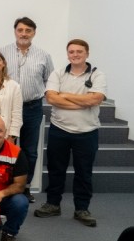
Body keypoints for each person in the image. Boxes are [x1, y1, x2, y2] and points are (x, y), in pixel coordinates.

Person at [35, 39, 107, 227]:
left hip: (87, 131)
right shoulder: (57, 73)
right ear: (67, 54)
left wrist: (64, 95)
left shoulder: (97, 75)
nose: (75, 55)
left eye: (79, 52)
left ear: (87, 53)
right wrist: (83, 101)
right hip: (60, 129)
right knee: (55, 168)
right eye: (72, 52)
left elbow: (96, 99)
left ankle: (81, 209)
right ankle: (52, 204)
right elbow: (51, 97)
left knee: (84, 172)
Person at [0, 17, 54, 203]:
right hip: (7, 106)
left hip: (32, 107)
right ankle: (6, 185)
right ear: (15, 31)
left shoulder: (44, 55)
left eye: (28, 30)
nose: (24, 33)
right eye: (20, 30)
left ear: (34, 33)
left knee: (30, 150)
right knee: (7, 148)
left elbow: (50, 81)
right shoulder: (2, 52)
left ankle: (25, 187)